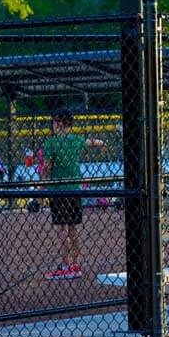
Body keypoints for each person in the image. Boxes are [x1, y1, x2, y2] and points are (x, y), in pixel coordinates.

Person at [41, 108, 106, 280]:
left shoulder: (51, 143)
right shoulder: (76, 139)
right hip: (74, 188)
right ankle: (75, 264)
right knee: (72, 227)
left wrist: (42, 177)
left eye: (55, 122)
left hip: (58, 190)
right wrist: (102, 143)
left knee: (62, 228)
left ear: (60, 123)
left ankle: (65, 264)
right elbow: (92, 142)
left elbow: (46, 167)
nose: (53, 125)